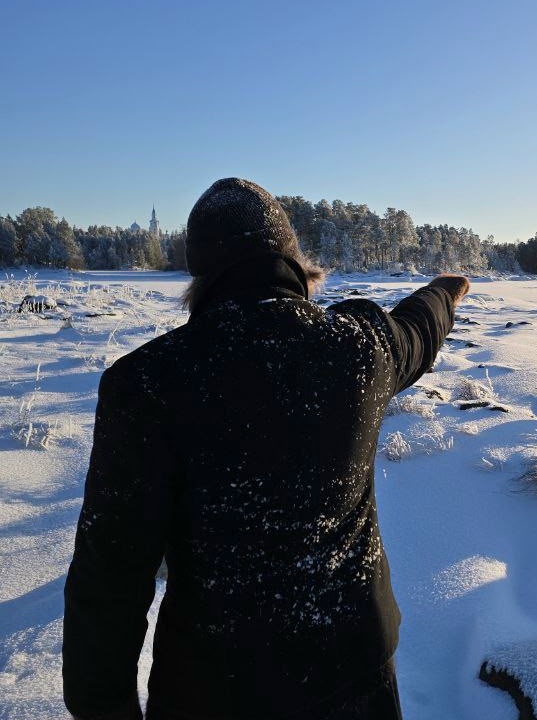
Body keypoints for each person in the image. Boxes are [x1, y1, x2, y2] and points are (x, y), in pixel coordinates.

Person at [62, 178, 469, 720]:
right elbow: (416, 330)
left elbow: (111, 573)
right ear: (294, 260)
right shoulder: (359, 348)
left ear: (200, 271)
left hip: (212, 690)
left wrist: (103, 708)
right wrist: (444, 292)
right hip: (355, 674)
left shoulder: (147, 382)